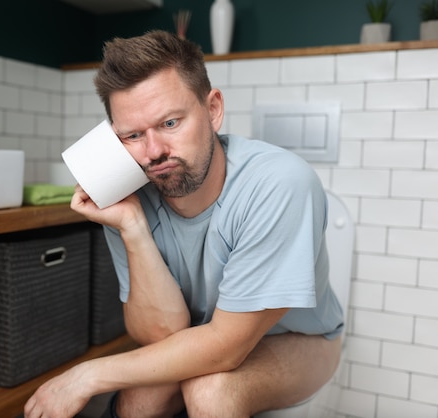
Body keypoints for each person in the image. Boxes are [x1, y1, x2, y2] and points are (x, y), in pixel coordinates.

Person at [24, 30, 343, 418]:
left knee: (210, 391)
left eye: (171, 123)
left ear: (213, 109)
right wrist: (132, 227)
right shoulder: (128, 194)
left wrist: (87, 376)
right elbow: (158, 335)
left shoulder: (279, 184)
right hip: (197, 335)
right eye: (134, 135)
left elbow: (226, 346)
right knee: (142, 401)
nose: (154, 152)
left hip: (298, 341)